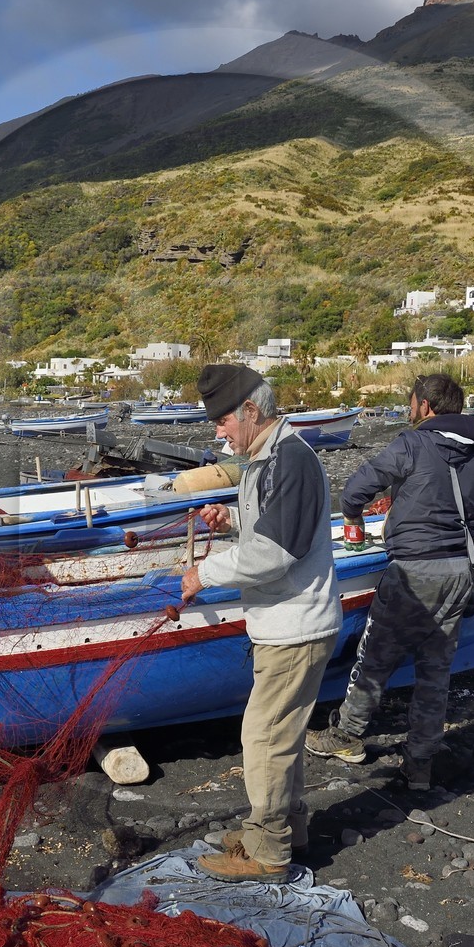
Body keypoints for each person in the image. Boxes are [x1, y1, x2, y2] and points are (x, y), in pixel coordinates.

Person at [180, 364, 342, 884]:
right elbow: (267, 531)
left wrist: (203, 574)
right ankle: (284, 830)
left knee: (264, 737)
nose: (219, 431)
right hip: (288, 623)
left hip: (295, 626)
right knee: (283, 734)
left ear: (251, 411)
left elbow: (275, 554)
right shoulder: (267, 459)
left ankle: (269, 852)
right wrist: (232, 524)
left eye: (223, 420)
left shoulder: (288, 459)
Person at [306, 372, 474, 790]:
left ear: (424, 406)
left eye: (411, 403)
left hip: (414, 571)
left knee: (377, 655)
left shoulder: (413, 443)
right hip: (459, 571)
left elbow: (356, 489)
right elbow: (473, 515)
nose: (410, 410)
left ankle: (348, 735)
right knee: (435, 670)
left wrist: (353, 518)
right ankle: (420, 764)